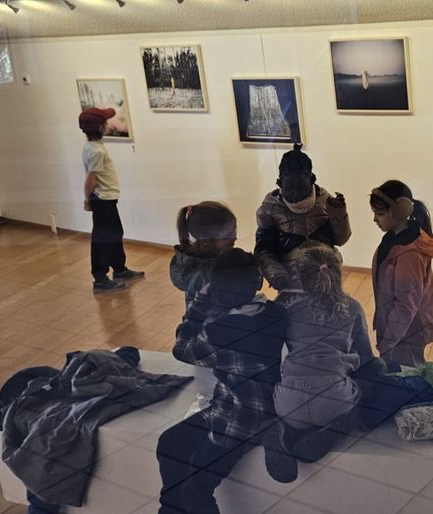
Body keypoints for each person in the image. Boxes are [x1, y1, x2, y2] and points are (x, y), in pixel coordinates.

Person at [157, 249, 289, 513]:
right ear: (257, 283)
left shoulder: (220, 331)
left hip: (237, 418)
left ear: (214, 287)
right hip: (254, 406)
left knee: (196, 490)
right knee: (170, 442)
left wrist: (199, 304)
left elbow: (182, 349)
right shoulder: (275, 312)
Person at [268, 246, 372, 475]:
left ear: (300, 277)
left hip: (288, 401)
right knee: (363, 394)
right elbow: (366, 358)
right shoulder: (352, 307)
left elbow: (275, 355)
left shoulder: (287, 309)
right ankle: (335, 430)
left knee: (290, 407)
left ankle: (281, 432)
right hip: (335, 400)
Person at [255, 143, 350, 293]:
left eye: (301, 188)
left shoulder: (325, 200)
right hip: (292, 279)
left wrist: (338, 213)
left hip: (326, 274)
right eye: (289, 188)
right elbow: (265, 251)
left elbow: (341, 239)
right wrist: (277, 275)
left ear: (312, 180)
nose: (295, 194)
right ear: (279, 184)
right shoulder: (270, 209)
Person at [369, 180, 433, 367]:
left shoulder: (409, 254)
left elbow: (406, 305)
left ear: (399, 212)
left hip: (409, 332)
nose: (375, 219)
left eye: (380, 214)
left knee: (409, 377)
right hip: (402, 330)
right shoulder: (395, 239)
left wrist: (388, 342)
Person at [79, 107, 144, 292]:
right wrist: (87, 199)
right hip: (102, 200)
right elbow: (90, 180)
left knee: (115, 233)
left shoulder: (93, 147)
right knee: (103, 239)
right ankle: (100, 279)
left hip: (107, 199)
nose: (108, 124)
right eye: (105, 123)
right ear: (100, 127)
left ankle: (119, 269)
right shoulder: (97, 152)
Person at [170, 201, 238, 306]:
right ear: (206, 240)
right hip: (212, 320)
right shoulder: (208, 271)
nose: (235, 237)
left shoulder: (193, 260)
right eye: (227, 236)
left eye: (234, 231)